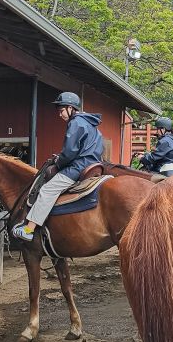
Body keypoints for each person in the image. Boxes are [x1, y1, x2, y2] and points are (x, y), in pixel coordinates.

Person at [12, 92, 104, 242]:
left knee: (47, 190)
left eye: (61, 111)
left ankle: (29, 229)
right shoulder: (91, 124)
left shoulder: (76, 122)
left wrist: (58, 162)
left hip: (78, 166)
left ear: (70, 108)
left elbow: (69, 152)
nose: (59, 115)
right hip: (93, 164)